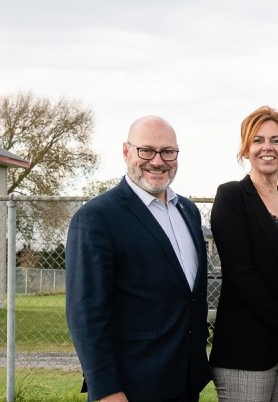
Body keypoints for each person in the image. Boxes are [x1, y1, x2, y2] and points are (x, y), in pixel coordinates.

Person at [66, 116, 210, 401]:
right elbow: (86, 314)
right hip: (132, 386)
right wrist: (106, 389)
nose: (158, 161)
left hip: (186, 382)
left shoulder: (189, 212)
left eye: (168, 151)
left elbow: (190, 296)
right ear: (126, 151)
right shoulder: (97, 217)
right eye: (147, 150)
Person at [209, 106, 278, 401]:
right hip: (246, 349)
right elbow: (242, 274)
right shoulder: (231, 197)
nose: (267, 147)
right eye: (258, 140)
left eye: (276, 140)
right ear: (246, 149)